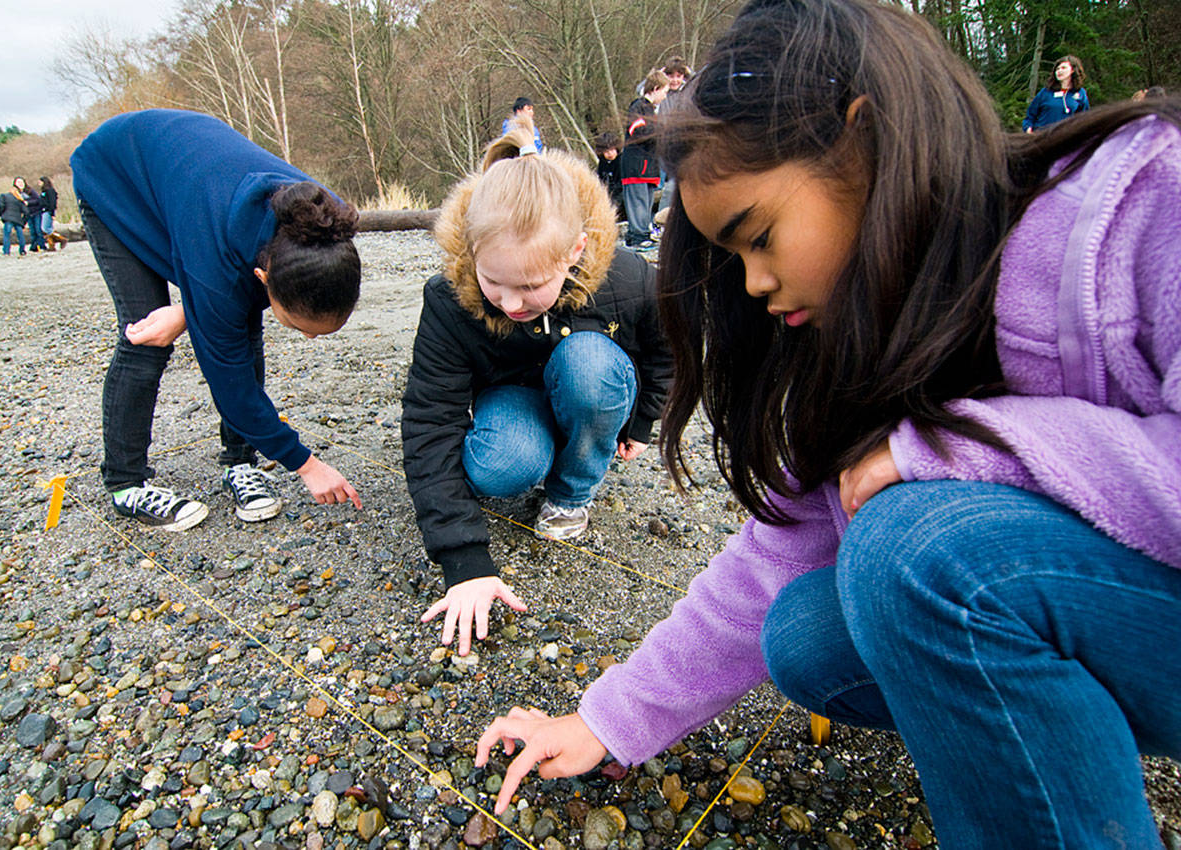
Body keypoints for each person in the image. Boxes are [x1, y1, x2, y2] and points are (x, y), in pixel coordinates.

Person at [476, 2, 1181, 847]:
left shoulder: (1140, 199)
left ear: (865, 140)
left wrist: (949, 452)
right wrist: (607, 721)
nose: (756, 285)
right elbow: (776, 550)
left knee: (916, 552)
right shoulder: (860, 326)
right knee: (807, 633)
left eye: (761, 237)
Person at [403, 125, 670, 656]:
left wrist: (642, 421)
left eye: (529, 286)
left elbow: (670, 349)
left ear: (576, 251)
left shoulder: (627, 276)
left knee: (589, 364)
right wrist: (465, 559)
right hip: (513, 398)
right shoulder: (447, 299)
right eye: (493, 281)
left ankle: (570, 492)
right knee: (500, 468)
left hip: (590, 378)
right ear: (471, 252)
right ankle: (540, 451)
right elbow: (430, 419)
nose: (509, 302)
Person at [71, 109, 363, 530]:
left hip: (189, 188)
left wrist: (190, 309)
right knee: (147, 336)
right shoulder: (216, 267)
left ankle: (239, 461)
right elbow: (231, 385)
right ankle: (124, 482)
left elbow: (225, 293)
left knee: (235, 319)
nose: (309, 339)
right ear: (263, 278)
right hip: (118, 176)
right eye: (299, 327)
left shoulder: (325, 224)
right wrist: (306, 465)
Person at [621, 70, 668, 250]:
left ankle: (641, 234)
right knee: (638, 203)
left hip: (649, 168)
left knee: (646, 202)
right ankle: (637, 236)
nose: (665, 97)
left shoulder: (651, 111)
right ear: (655, 89)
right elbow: (636, 130)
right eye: (664, 92)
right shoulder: (638, 107)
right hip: (636, 167)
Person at [653, 56, 692, 224]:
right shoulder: (661, 90)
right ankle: (653, 219)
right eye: (671, 76)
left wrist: (688, 73)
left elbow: (699, 81)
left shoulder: (686, 92)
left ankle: (666, 218)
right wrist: (659, 73)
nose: (675, 80)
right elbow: (641, 89)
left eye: (679, 76)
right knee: (658, 185)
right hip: (660, 143)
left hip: (679, 143)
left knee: (675, 183)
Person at [1023, 55, 1090, 132]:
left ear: (1073, 70)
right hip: (1042, 137)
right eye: (1057, 69)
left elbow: (1084, 119)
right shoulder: (1046, 92)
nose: (1059, 71)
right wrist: (1028, 130)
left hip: (1065, 138)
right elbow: (1030, 116)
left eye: (1063, 68)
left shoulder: (1080, 93)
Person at [592, 131, 623, 220]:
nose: (610, 154)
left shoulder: (621, 161)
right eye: (606, 151)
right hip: (606, 196)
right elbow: (600, 180)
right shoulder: (602, 163)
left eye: (612, 150)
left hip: (620, 197)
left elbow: (620, 186)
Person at [0, 179, 28, 257]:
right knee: (20, 236)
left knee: (7, 235)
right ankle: (22, 250)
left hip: (8, 219)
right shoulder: (20, 199)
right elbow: (27, 212)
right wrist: (23, 222)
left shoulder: (4, 196)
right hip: (18, 219)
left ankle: (6, 251)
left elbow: (1, 206)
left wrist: (2, 215)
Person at [39, 176, 67, 251]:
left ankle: (61, 238)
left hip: (48, 211)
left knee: (45, 228)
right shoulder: (43, 191)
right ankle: (51, 245)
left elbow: (52, 202)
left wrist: (52, 213)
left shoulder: (50, 190)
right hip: (44, 211)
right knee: (48, 228)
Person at [21, 178, 46, 253]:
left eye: (21, 183)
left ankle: (42, 245)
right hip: (28, 214)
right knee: (32, 231)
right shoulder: (17, 193)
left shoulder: (30, 191)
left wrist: (28, 203)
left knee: (38, 229)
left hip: (36, 212)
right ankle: (34, 246)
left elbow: (38, 200)